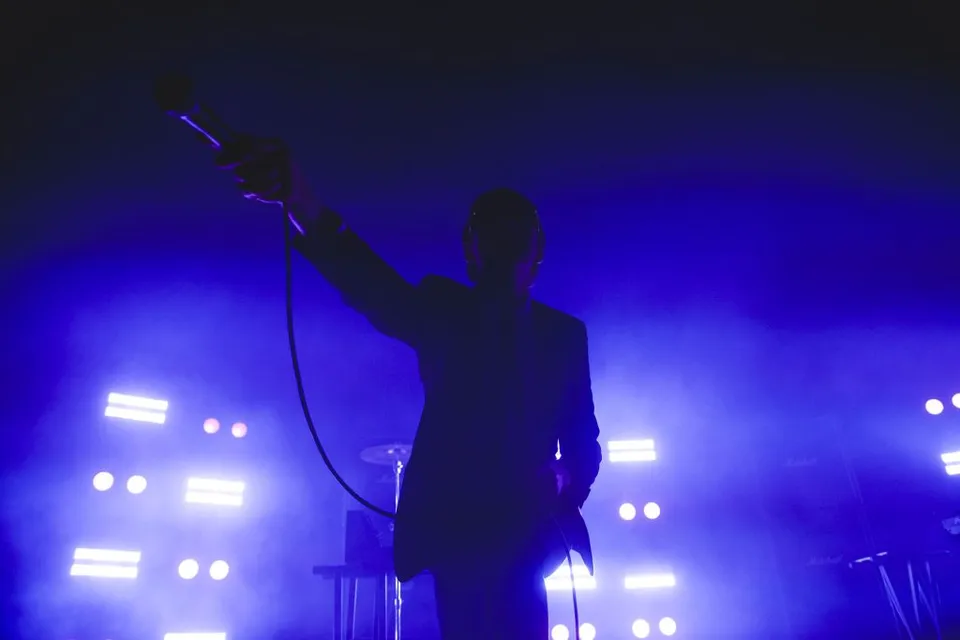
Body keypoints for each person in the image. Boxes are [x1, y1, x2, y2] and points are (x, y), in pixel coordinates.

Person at [218, 139, 602, 639]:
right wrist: (303, 204)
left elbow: (584, 443)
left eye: (515, 231)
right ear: (473, 246)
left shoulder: (563, 335)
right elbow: (371, 285)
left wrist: (564, 482)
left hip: (523, 535)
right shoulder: (445, 309)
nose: (505, 242)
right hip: (458, 532)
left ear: (536, 248)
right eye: (494, 230)